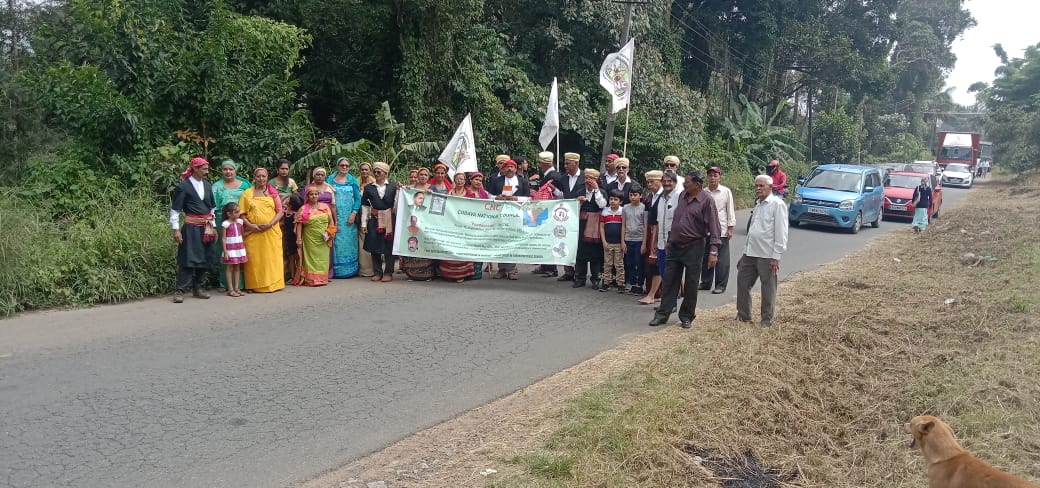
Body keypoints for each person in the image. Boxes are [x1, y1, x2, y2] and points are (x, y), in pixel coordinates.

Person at [648, 170, 721, 329]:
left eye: (687, 182)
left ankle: (687, 316)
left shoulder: (707, 201)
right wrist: (669, 240)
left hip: (694, 246)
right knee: (669, 280)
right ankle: (662, 314)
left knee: (691, 283)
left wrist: (713, 251)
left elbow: (715, 227)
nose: (683, 184)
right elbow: (676, 219)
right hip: (674, 245)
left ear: (697, 184)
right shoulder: (682, 196)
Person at [736, 175, 789, 327]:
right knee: (742, 282)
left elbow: (781, 232)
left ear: (770, 187)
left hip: (767, 254)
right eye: (756, 186)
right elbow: (752, 231)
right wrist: (744, 252)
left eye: (761, 186)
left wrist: (776, 256)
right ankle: (744, 316)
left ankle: (766, 321)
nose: (758, 188)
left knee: (768, 288)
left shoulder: (777, 204)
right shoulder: (758, 204)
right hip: (750, 252)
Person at [170, 156, 217, 303]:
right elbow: (175, 210)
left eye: (207, 168)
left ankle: (199, 287)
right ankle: (180, 290)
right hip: (191, 228)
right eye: (204, 169)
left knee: (205, 256)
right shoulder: (183, 186)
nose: (207, 171)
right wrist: (176, 229)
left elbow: (212, 208)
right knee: (188, 257)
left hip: (206, 227)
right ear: (195, 169)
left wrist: (213, 226)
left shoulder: (207, 185)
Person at [239, 167, 286, 293]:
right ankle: (256, 285)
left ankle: (275, 284)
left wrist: (270, 224)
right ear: (254, 178)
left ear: (267, 177)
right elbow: (242, 214)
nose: (261, 178)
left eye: (263, 176)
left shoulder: (273, 193)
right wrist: (251, 226)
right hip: (253, 232)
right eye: (258, 176)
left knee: (272, 258)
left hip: (271, 231)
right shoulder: (247, 193)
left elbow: (280, 211)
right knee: (255, 258)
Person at [487, 158, 531, 280]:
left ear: (516, 169)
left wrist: (517, 199)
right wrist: (497, 198)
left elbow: (528, 198)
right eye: (507, 167)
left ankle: (512, 269)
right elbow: (489, 195)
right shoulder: (497, 181)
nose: (510, 169)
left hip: (516, 215)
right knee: (501, 240)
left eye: (512, 167)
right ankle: (501, 269)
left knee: (512, 240)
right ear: (503, 169)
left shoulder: (523, 181)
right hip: (500, 214)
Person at [212, 159, 251, 291]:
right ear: (221, 171)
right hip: (222, 221)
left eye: (231, 169)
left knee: (242, 249)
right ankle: (225, 284)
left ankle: (244, 284)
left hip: (242, 220)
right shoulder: (216, 186)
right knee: (225, 250)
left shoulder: (245, 184)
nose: (228, 172)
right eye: (225, 169)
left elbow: (252, 200)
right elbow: (212, 206)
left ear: (235, 170)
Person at [699, 166, 736, 294]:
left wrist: (730, 228)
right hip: (706, 229)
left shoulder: (725, 191)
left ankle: (720, 285)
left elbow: (730, 210)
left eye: (715, 175)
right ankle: (705, 282)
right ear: (707, 177)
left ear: (720, 177)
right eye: (710, 175)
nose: (712, 178)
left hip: (722, 229)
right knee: (705, 256)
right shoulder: (703, 192)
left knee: (721, 259)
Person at [360, 162, 398, 282]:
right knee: (374, 245)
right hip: (374, 219)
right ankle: (377, 272)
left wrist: (399, 191)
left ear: (385, 173)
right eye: (375, 172)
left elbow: (397, 202)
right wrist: (364, 223)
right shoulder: (368, 188)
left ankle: (388, 272)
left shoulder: (393, 186)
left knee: (389, 245)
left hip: (389, 219)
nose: (376, 174)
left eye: (379, 172)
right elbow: (365, 206)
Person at [639, 170, 670, 305]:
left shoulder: (665, 196)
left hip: (660, 231)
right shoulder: (650, 196)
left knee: (658, 261)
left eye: (652, 182)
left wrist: (657, 238)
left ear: (660, 182)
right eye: (648, 182)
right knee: (650, 262)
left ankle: (653, 294)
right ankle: (655, 292)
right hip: (651, 230)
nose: (649, 185)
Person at [295, 186, 337, 286]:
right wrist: (299, 239)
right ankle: (311, 279)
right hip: (310, 239)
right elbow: (299, 225)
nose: (314, 196)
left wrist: (330, 233)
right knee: (310, 259)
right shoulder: (303, 209)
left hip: (324, 239)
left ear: (318, 195)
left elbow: (331, 222)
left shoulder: (325, 207)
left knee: (323, 259)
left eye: (316, 194)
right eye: (311, 194)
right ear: (307, 196)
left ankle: (322, 278)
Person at [554, 152, 586, 282]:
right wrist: (555, 191)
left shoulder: (584, 177)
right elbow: (563, 195)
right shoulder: (563, 179)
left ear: (576, 163)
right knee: (565, 241)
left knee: (578, 244)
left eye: (568, 163)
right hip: (566, 216)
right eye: (565, 163)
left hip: (581, 215)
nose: (565, 166)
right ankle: (568, 271)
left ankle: (579, 273)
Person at [573, 168, 607, 288]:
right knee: (580, 251)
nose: (588, 180)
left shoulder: (601, 191)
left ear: (596, 180)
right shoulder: (580, 191)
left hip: (595, 224)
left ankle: (596, 278)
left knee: (595, 251)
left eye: (591, 178)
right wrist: (579, 202)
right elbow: (573, 209)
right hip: (582, 223)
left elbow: (602, 205)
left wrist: (596, 190)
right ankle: (580, 278)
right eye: (587, 178)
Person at [329, 157, 361, 278]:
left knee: (350, 242)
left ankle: (351, 269)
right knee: (336, 241)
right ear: (338, 166)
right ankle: (336, 270)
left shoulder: (352, 180)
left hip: (349, 218)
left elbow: (358, 199)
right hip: (335, 217)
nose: (344, 167)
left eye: (347, 165)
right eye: (342, 165)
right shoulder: (330, 180)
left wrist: (353, 213)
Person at [599, 189, 626, 292]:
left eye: (616, 199)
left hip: (619, 243)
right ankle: (606, 282)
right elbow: (601, 228)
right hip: (608, 243)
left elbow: (624, 227)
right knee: (607, 264)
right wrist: (604, 241)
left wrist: (623, 242)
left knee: (619, 264)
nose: (613, 201)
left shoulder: (623, 211)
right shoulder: (605, 211)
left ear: (620, 201)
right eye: (611, 199)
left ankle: (620, 283)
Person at [220, 202, 248, 297]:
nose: (238, 214)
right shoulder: (226, 224)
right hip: (230, 249)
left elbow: (242, 235)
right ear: (229, 214)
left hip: (239, 248)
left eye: (238, 212)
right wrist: (225, 251)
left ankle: (237, 288)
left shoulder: (240, 222)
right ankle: (230, 289)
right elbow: (223, 238)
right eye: (236, 212)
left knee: (237, 268)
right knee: (229, 268)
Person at [622, 184, 646, 295]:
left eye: (635, 195)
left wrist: (644, 243)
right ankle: (632, 283)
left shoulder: (644, 208)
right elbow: (623, 225)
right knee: (629, 262)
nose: (632, 197)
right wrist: (622, 241)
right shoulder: (625, 208)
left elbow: (645, 226)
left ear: (640, 195)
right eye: (630, 195)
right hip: (628, 239)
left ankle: (639, 284)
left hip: (639, 239)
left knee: (639, 262)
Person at [356, 162, 377, 277]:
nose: (364, 171)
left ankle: (375, 268)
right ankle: (365, 269)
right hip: (359, 214)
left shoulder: (375, 183)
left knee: (373, 239)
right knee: (362, 240)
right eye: (362, 169)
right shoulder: (356, 183)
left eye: (366, 169)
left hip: (372, 215)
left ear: (370, 171)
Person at [283, 193, 304, 285]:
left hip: (294, 237)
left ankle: (297, 275)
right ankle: (292, 276)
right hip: (288, 238)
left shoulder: (295, 215)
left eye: (288, 199)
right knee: (291, 258)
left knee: (297, 257)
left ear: (291, 204)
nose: (286, 200)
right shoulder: (285, 212)